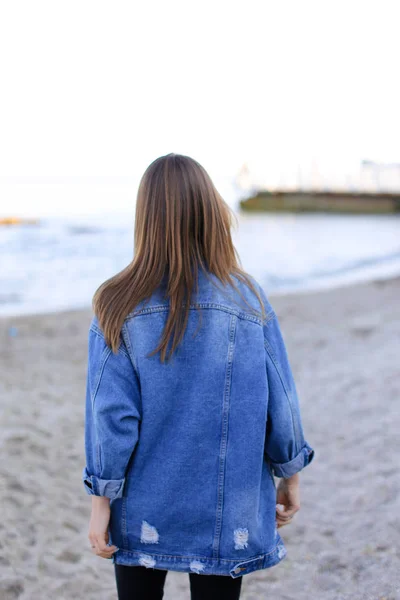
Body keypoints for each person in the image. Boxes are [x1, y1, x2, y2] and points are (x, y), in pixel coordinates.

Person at [82, 153, 315, 600]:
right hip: (228, 512)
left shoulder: (116, 304)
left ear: (145, 218)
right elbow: (281, 401)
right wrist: (292, 475)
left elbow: (110, 419)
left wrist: (100, 503)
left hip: (142, 511)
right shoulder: (248, 298)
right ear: (210, 213)